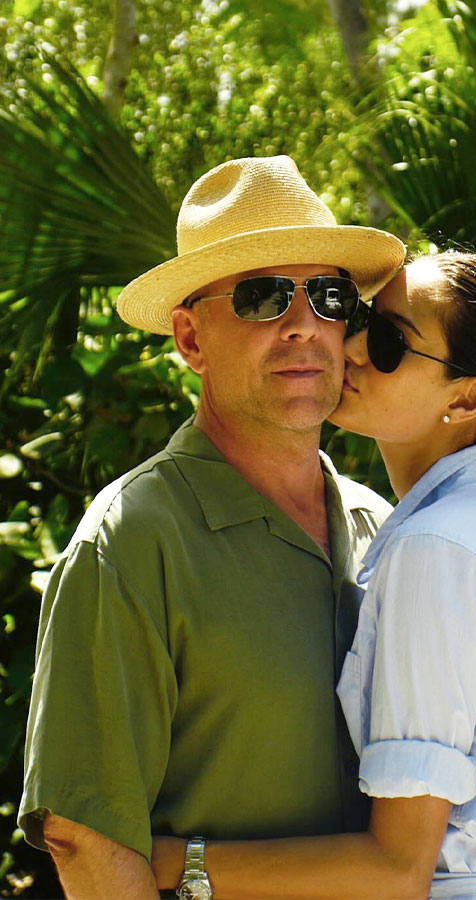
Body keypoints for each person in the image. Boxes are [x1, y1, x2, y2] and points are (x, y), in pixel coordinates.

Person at [148, 251, 476, 900]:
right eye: (361, 320)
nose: (351, 347)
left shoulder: (437, 547)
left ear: (467, 398)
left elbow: (397, 871)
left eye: (390, 342)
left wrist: (169, 863)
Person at [18, 154, 405, 900]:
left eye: (329, 297)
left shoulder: (385, 528)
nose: (304, 325)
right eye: (263, 298)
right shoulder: (129, 542)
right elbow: (85, 839)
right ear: (190, 339)